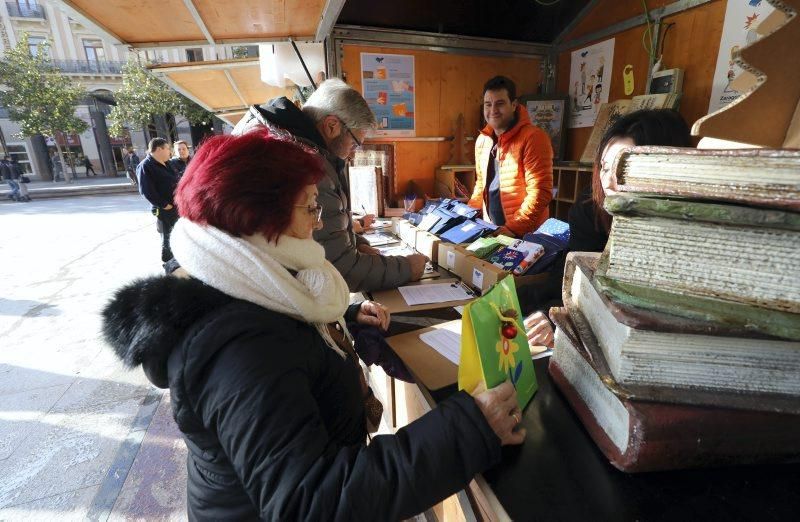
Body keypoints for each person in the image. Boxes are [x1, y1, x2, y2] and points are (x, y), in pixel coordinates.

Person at [101, 131, 525, 520]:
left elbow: (288, 346)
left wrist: (337, 327)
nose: (318, 222)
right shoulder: (236, 347)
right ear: (257, 220)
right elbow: (312, 500)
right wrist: (470, 429)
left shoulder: (247, 283)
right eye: (309, 207)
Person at [233, 78, 427, 292]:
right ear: (332, 125)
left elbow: (326, 237)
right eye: (354, 143)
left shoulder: (290, 141)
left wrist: (357, 243)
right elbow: (341, 270)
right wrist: (408, 268)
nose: (353, 153)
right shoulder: (303, 164)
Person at [524, 109, 692, 349]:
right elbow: (568, 283)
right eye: (604, 167)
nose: (608, 181)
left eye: (624, 168)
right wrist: (554, 316)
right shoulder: (590, 209)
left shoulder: (689, 232)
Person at [468, 76, 553, 238]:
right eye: (488, 104)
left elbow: (540, 192)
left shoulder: (533, 137)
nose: (493, 110)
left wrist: (514, 228)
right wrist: (468, 216)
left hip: (524, 234)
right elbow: (481, 185)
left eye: (500, 103)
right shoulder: (483, 140)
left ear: (514, 105)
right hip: (492, 230)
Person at [137, 138, 180, 264]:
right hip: (165, 209)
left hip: (176, 206)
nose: (170, 152)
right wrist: (165, 205)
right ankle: (169, 262)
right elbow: (146, 191)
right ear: (159, 149)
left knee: (177, 234)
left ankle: (178, 259)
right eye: (167, 148)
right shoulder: (146, 166)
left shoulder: (168, 163)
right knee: (167, 236)